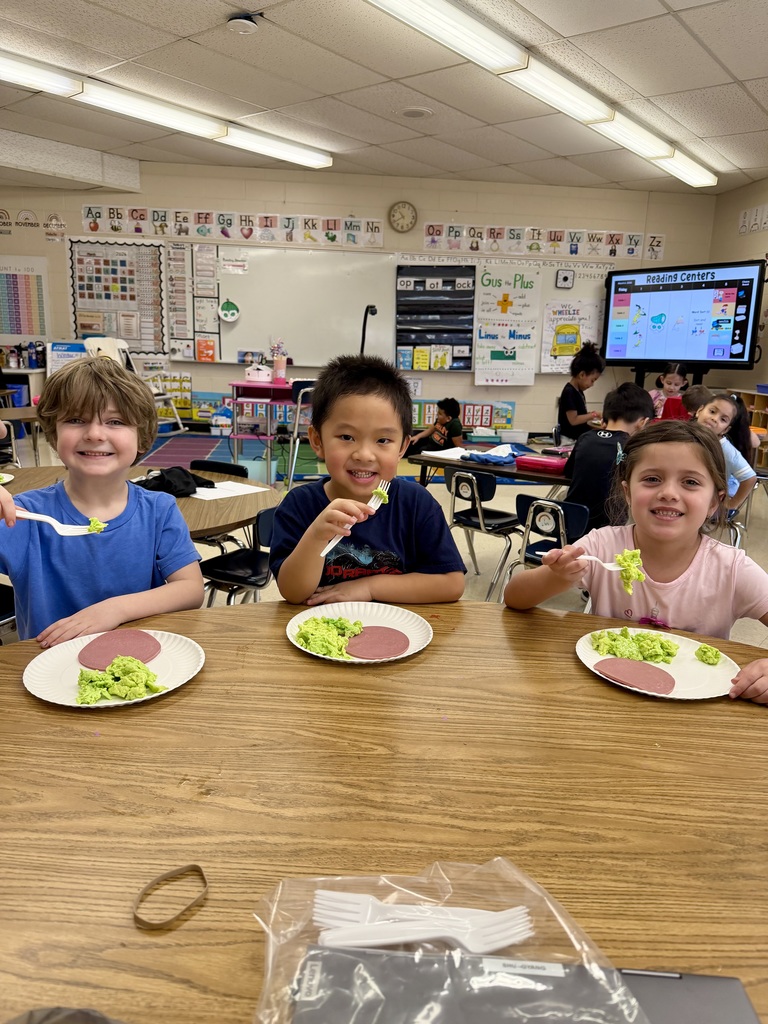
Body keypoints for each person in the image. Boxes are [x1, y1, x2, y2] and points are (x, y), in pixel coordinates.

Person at [504, 420, 768, 703]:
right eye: (652, 479)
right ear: (628, 492)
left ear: (714, 503)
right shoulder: (602, 546)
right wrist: (557, 577)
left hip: (693, 708)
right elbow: (515, 598)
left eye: (690, 482)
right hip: (604, 694)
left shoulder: (731, 569)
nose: (668, 492)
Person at [0, 357, 204, 645]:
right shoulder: (23, 515)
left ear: (142, 437)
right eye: (75, 420)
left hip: (141, 663)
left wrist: (114, 609)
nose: (95, 434)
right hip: (48, 674)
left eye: (115, 422)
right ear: (54, 432)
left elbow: (191, 589)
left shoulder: (159, 509)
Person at [270, 354, 465, 605]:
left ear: (402, 447)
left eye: (383, 440)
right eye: (346, 437)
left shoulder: (417, 504)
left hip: (397, 632)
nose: (364, 454)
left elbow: (451, 583)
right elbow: (293, 593)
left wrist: (369, 587)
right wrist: (317, 535)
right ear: (318, 441)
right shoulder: (299, 505)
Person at [564, 382, 653, 532]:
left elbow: (568, 472)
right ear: (642, 423)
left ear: (604, 417)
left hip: (570, 526)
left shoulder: (585, 437)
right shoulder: (633, 447)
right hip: (608, 532)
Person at [694, 392, 756, 511]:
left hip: (709, 504)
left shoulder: (725, 449)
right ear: (699, 411)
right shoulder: (685, 433)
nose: (714, 419)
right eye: (712, 411)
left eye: (723, 419)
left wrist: (732, 504)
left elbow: (750, 478)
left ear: (725, 429)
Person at [557, 343, 605, 442]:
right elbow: (573, 420)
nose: (592, 385)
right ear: (582, 374)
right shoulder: (569, 392)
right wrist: (594, 414)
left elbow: (581, 416)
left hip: (577, 438)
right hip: (568, 440)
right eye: (592, 380)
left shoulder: (578, 391)